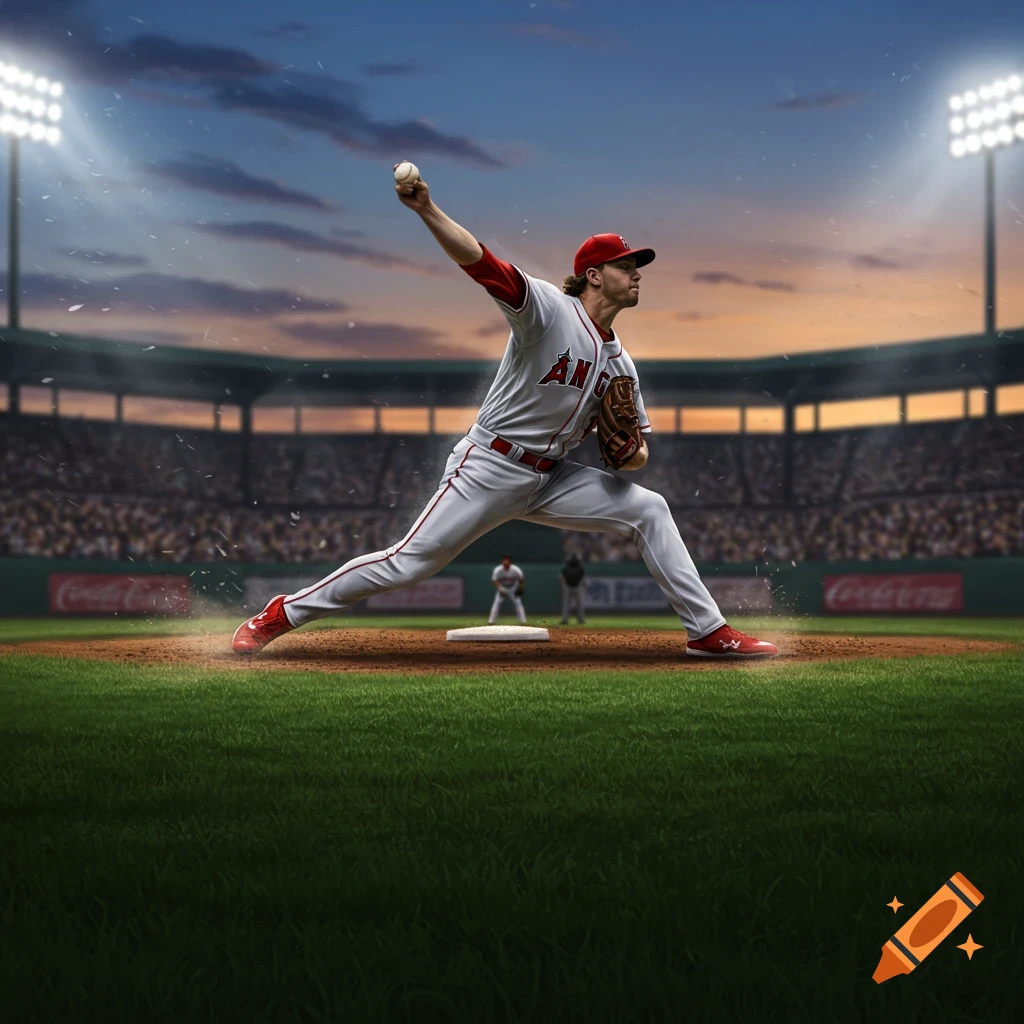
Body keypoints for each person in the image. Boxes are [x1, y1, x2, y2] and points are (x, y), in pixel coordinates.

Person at [232, 165, 778, 660]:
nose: (637, 272)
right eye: (625, 264)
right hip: (488, 466)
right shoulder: (547, 311)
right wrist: (426, 209)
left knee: (650, 508)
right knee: (408, 563)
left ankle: (707, 631)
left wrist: (629, 453)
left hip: (550, 478)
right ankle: (280, 613)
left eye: (637, 266)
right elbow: (481, 262)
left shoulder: (623, 366)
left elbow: (636, 456)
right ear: (593, 274)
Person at [489, 555, 527, 624]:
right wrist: (500, 589)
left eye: (507, 560)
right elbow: (494, 580)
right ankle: (491, 621)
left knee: (518, 603)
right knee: (496, 603)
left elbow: (521, 579)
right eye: (504, 560)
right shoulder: (498, 570)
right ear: (502, 561)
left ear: (510, 562)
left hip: (513, 587)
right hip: (502, 587)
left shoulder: (515, 570)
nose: (505, 562)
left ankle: (523, 621)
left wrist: (520, 587)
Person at [560, 552, 586, 624]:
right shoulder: (567, 567)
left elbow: (583, 577)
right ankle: (566, 619)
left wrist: (564, 584)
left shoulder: (579, 567)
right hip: (571, 587)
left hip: (575, 587)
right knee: (570, 604)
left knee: (576, 604)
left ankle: (579, 619)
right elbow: (562, 576)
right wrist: (564, 584)